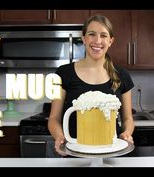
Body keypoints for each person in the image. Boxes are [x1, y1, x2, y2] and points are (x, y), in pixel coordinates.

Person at [48, 14, 135, 156]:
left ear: (111, 41)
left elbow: (127, 119)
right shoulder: (63, 73)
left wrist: (126, 133)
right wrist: (60, 138)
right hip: (76, 153)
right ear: (83, 39)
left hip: (112, 153)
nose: (97, 41)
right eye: (92, 34)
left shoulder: (122, 75)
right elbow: (54, 118)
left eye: (103, 35)